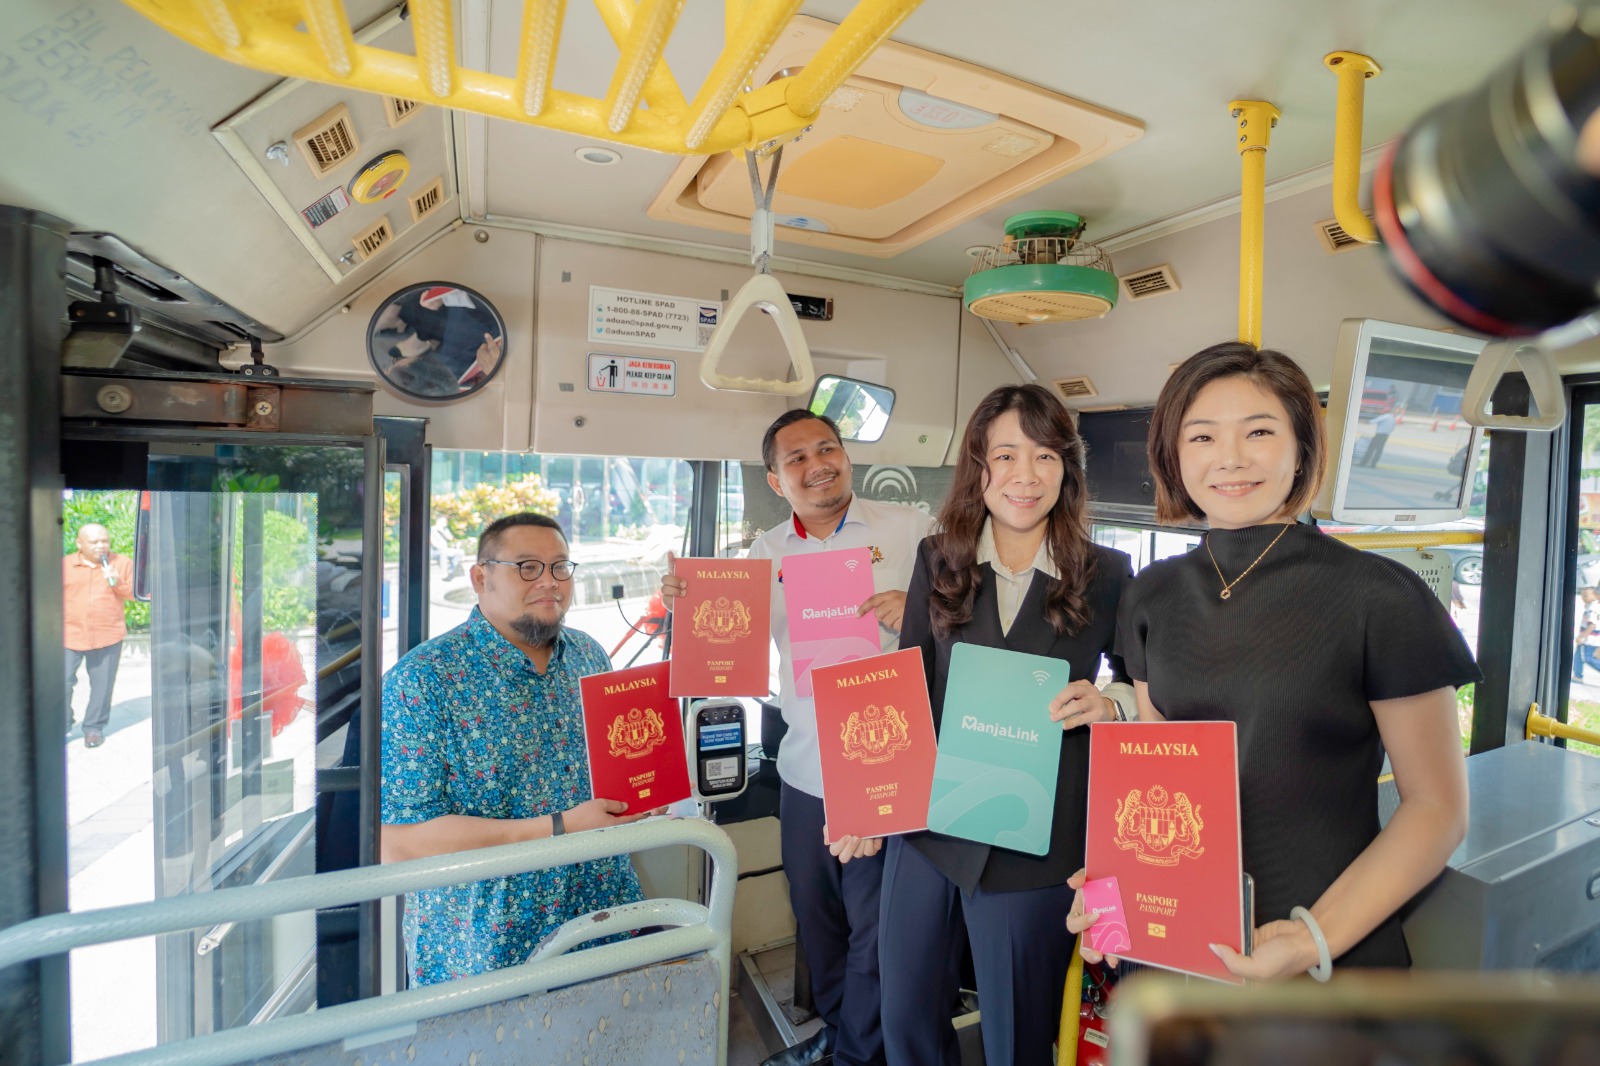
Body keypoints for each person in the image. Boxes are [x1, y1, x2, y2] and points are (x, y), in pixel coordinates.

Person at [1070, 342, 1477, 981]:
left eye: (1258, 431)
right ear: (1175, 455)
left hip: (1323, 953)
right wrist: (1118, 877)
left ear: (1301, 447)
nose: (1229, 458)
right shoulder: (1152, 592)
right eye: (1201, 436)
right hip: (1181, 946)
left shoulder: (1380, 594)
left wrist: (1313, 937)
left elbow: (1437, 808)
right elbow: (1158, 772)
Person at [661, 410, 932, 1066]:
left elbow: (966, 616)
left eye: (828, 448)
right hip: (805, 765)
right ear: (777, 481)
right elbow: (736, 647)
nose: (818, 465)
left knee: (876, 931)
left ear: (846, 455)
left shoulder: (913, 528)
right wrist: (687, 610)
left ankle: (856, 1055)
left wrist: (919, 606)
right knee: (818, 923)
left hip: (884, 758)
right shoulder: (766, 552)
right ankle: (842, 1038)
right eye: (797, 459)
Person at [881, 385, 1133, 1066]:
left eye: (1046, 456)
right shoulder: (939, 558)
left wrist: (1112, 705)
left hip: (1035, 841)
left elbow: (1144, 691)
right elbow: (905, 685)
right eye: (1006, 455)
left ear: (1067, 469)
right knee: (904, 1011)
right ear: (978, 467)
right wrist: (864, 795)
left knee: (1017, 1034)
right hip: (930, 826)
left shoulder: (1108, 574)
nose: (1026, 476)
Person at [380, 512, 659, 987]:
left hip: (606, 920)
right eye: (528, 567)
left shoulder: (591, 656)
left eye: (560, 567)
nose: (549, 582)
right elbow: (399, 843)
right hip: (485, 949)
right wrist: (560, 828)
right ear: (480, 577)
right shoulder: (422, 681)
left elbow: (620, 764)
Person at [63, 523, 136, 748]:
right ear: (79, 544)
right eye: (94, 542)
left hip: (107, 635)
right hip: (69, 634)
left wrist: (116, 580)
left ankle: (94, 728)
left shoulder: (122, 564)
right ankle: (62, 723)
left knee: (102, 686)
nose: (101, 546)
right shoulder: (64, 565)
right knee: (60, 683)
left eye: (104, 541)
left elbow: (135, 594)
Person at [1575, 587, 1600, 682]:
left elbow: (1592, 625)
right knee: (1578, 656)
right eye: (1582, 595)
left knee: (1587, 657)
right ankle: (1578, 676)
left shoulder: (1592, 609)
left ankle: (1578, 675)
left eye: (1586, 596)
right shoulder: (1592, 606)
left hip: (1590, 639)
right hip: (1590, 638)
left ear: (1596, 596)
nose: (1583, 598)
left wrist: (1582, 637)